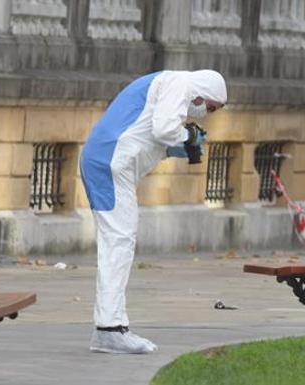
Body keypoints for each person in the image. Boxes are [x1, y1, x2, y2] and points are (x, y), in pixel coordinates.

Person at [80, 70, 227, 354]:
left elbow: (145, 132)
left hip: (107, 161)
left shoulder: (168, 85)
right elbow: (162, 130)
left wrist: (176, 148)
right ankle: (109, 330)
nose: (205, 114)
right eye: (209, 107)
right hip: (109, 163)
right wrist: (188, 135)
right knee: (118, 242)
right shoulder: (180, 84)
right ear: (203, 93)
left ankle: (114, 326)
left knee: (120, 242)